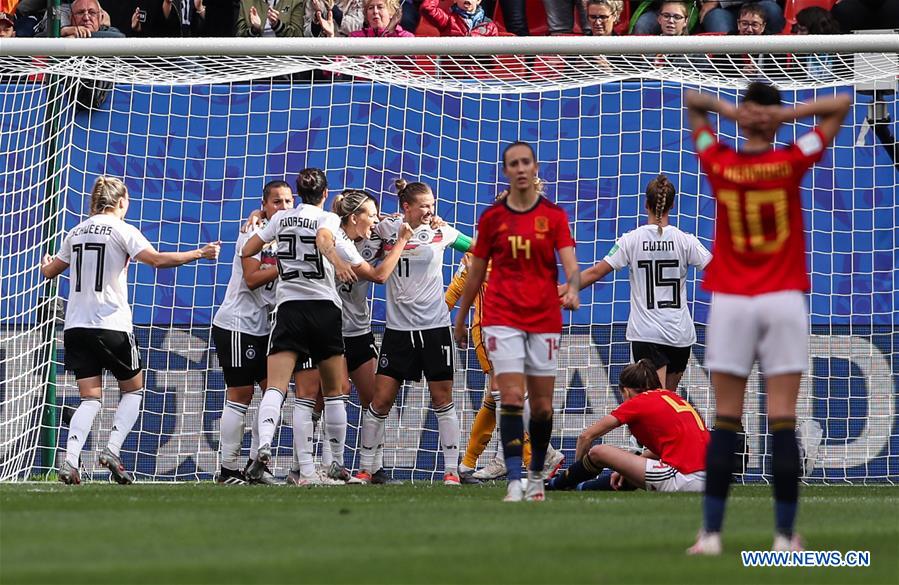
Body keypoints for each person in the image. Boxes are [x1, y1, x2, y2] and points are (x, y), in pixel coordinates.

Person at [685, 83, 851, 554]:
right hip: (782, 299)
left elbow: (693, 108)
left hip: (732, 300)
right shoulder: (791, 158)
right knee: (782, 419)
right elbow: (840, 105)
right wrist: (782, 115)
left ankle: (711, 535)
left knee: (725, 419)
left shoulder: (720, 161)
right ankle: (783, 536)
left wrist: (734, 112)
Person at [40, 176, 220, 485]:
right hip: (111, 325)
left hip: (76, 327)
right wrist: (199, 254)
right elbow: (157, 261)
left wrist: (45, 263)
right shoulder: (122, 230)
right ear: (121, 202)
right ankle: (111, 449)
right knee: (134, 390)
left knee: (90, 399)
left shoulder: (75, 232)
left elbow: (50, 271)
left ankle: (69, 462)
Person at [454, 141, 580, 502]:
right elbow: (475, 274)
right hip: (502, 317)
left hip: (543, 317)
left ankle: (537, 473)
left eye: (527, 162)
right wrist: (461, 318)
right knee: (507, 396)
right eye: (514, 163)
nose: (521, 168)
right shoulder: (492, 219)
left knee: (540, 406)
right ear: (507, 170)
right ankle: (513, 479)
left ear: (535, 168)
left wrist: (572, 290)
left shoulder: (554, 217)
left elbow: (570, 264)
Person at [242, 168, 357, 485]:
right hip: (323, 307)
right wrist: (339, 262)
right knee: (334, 391)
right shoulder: (329, 220)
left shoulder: (280, 220)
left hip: (289, 308)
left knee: (277, 386)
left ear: (298, 193)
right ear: (324, 194)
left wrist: (280, 257)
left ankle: (264, 443)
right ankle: (336, 462)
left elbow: (247, 250)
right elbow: (322, 239)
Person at [354, 179, 473, 486]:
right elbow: (355, 226)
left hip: (434, 328)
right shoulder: (386, 229)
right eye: (424, 205)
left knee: (442, 399)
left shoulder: (441, 232)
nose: (430, 210)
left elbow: (477, 247)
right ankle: (367, 468)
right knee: (380, 401)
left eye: (432, 205)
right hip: (398, 331)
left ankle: (451, 471)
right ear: (406, 207)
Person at [559, 174, 711, 392]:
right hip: (680, 335)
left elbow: (595, 272)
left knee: (652, 406)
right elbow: (717, 272)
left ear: (646, 204)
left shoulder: (631, 240)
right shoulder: (686, 241)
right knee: (667, 403)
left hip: (648, 334)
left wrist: (562, 290)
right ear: (673, 205)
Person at [447, 252, 566, 484]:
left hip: (494, 330)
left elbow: (453, 293)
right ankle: (475, 462)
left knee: (504, 393)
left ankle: (543, 455)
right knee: (497, 396)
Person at [328, 189, 413, 483]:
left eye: (378, 215)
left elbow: (408, 222)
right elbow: (379, 276)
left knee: (375, 399)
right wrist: (400, 241)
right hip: (331, 331)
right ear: (354, 217)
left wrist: (427, 221)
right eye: (371, 215)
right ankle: (324, 465)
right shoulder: (334, 240)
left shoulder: (374, 238)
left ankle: (374, 468)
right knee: (333, 392)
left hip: (360, 331)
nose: (376, 221)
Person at [212, 180, 293, 485]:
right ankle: (228, 469)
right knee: (241, 394)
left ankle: (255, 466)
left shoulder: (290, 234)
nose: (283, 207)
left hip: (264, 329)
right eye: (276, 202)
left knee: (274, 391)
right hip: (238, 324)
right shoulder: (253, 232)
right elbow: (250, 279)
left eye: (287, 201)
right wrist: (288, 265)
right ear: (265, 205)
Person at [547, 360, 709, 493]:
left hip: (684, 477)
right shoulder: (672, 397)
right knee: (625, 475)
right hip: (710, 478)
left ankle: (558, 485)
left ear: (626, 391)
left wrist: (577, 471)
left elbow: (586, 436)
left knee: (599, 452)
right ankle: (583, 488)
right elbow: (670, 445)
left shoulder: (638, 402)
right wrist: (627, 467)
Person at [419, 0, 498, 36]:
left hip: (475, 69)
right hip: (451, 70)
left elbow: (492, 62)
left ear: (478, 0)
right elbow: (427, 8)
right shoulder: (448, 21)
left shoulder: (489, 27)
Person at [236, 0, 303, 37]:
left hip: (285, 56)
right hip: (255, 56)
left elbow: (298, 35)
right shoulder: (246, 2)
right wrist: (254, 30)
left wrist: (278, 25)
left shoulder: (294, 2)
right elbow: (239, 35)